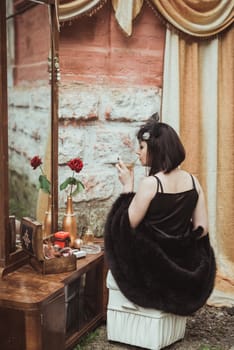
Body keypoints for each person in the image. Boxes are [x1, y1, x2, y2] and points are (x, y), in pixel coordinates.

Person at [104, 113, 216, 316]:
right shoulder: (194, 182)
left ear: (155, 150)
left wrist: (127, 186)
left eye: (141, 147)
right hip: (181, 267)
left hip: (151, 270)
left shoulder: (150, 184)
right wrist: (176, 239)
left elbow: (123, 229)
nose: (138, 153)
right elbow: (202, 230)